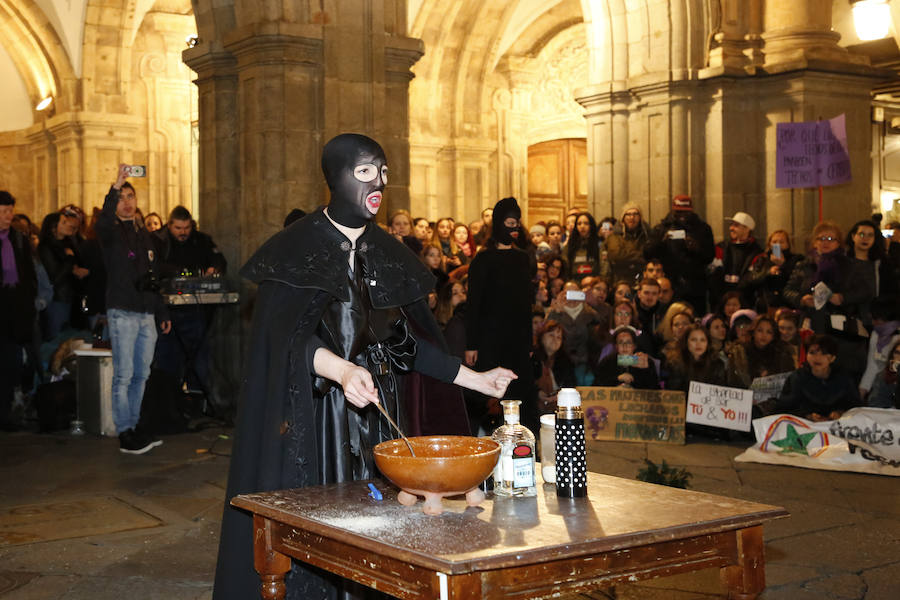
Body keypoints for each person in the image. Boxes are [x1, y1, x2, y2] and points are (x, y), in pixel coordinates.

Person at [213, 134, 515, 600]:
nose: (379, 183)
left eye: (384, 172)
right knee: (332, 527)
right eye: (365, 171)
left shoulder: (386, 252)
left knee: (385, 526)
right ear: (336, 176)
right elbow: (284, 343)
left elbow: (406, 344)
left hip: (379, 413)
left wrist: (477, 379)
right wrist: (341, 370)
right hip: (321, 417)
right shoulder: (297, 248)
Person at [96, 165, 171, 454]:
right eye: (122, 198)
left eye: (131, 196)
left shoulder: (144, 235)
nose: (127, 202)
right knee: (124, 374)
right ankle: (124, 431)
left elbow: (153, 278)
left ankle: (136, 426)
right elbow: (103, 221)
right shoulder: (111, 233)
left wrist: (162, 313)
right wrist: (115, 186)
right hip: (123, 312)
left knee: (141, 374)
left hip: (146, 314)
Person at [465, 196, 537, 436]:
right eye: (509, 222)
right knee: (492, 393)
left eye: (517, 223)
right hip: (489, 340)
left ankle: (523, 441)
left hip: (517, 340)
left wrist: (528, 342)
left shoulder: (523, 259)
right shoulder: (482, 260)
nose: (514, 228)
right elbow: (474, 303)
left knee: (520, 391)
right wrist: (471, 344)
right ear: (498, 224)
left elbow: (527, 304)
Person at [783, 220, 873, 379]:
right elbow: (789, 290)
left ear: (839, 243)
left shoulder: (849, 265)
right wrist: (801, 299)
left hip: (841, 331)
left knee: (840, 371)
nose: (826, 243)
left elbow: (865, 291)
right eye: (821, 238)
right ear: (814, 242)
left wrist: (843, 298)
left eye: (831, 239)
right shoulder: (804, 265)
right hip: (812, 325)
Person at [153, 205, 227, 393]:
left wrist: (214, 269)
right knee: (169, 357)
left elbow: (218, 259)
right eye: (178, 228)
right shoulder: (158, 241)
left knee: (199, 356)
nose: (183, 232)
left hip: (195, 309)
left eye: (186, 228)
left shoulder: (201, 240)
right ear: (169, 225)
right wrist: (175, 273)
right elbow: (154, 266)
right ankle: (169, 399)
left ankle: (196, 399)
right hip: (168, 310)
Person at [0, 191, 38, 430]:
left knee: (11, 365)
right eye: (4, 211)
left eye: (10, 211)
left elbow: (29, 275)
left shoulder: (19, 239)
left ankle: (4, 415)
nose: (8, 216)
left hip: (15, 310)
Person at [644, 194, 715, 313]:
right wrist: (661, 241)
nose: (682, 216)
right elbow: (647, 254)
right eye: (679, 212)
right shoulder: (661, 228)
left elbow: (709, 256)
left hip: (694, 284)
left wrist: (696, 248)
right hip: (669, 283)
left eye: (685, 213)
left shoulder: (702, 229)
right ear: (673, 211)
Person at [773, 335, 859, 421]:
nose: (817, 358)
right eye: (812, 353)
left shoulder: (843, 378)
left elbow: (856, 406)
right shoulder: (797, 377)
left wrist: (840, 413)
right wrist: (807, 416)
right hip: (804, 426)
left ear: (832, 358)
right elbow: (783, 409)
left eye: (824, 353)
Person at [546, 281, 604, 385]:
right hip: (561, 361)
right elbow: (546, 331)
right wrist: (556, 311)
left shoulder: (589, 312)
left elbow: (602, 327)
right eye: (568, 293)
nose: (572, 297)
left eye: (575, 292)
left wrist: (592, 303)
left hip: (584, 361)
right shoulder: (557, 311)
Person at [726, 316, 795, 388]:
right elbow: (733, 381)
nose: (764, 335)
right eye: (760, 330)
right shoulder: (740, 352)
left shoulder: (781, 353)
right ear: (753, 332)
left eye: (769, 332)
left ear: (774, 336)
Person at [710, 211, 762, 307]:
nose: (731, 228)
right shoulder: (721, 248)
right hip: (720, 301)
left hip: (745, 302)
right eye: (731, 225)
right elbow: (714, 274)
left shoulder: (757, 253)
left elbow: (751, 278)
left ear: (747, 229)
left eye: (736, 225)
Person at [743, 230, 800, 313]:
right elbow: (752, 279)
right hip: (766, 305)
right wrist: (768, 272)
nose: (778, 245)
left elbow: (796, 282)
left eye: (781, 242)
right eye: (774, 242)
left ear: (788, 244)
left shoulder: (796, 260)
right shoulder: (762, 260)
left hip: (787, 305)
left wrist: (783, 266)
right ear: (769, 244)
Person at [664, 324, 728, 392]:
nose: (698, 344)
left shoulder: (717, 364)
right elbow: (673, 392)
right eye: (693, 340)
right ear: (686, 342)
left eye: (702, 340)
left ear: (708, 343)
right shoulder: (675, 364)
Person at [593, 325, 660, 389]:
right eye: (620, 342)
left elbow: (655, 388)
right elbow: (597, 385)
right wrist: (618, 379)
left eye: (628, 342)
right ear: (616, 346)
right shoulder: (607, 362)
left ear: (634, 346)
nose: (624, 346)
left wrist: (646, 370)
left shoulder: (645, 361)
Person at [531, 319, 576, 413]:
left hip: (558, 406)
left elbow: (570, 384)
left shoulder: (566, 360)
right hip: (533, 407)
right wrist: (537, 393)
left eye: (559, 337)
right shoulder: (531, 357)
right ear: (541, 336)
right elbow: (525, 382)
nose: (555, 339)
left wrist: (560, 394)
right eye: (551, 335)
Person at [866, 339, 900, 408]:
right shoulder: (884, 375)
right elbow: (875, 402)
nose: (899, 357)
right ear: (892, 354)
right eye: (897, 353)